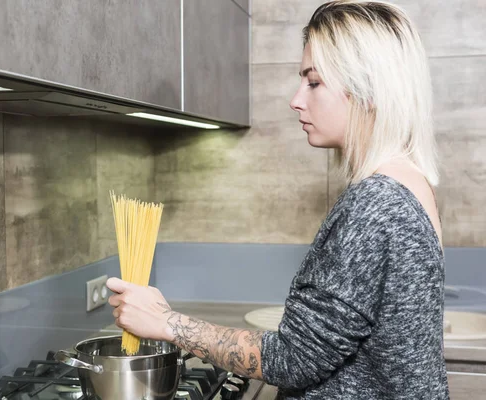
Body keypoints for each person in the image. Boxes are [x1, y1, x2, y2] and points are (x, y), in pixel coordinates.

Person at [106, 0, 449, 398]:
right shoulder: (410, 181)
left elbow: (292, 360)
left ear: (368, 88)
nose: (296, 99)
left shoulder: (375, 204)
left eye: (314, 82)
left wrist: (167, 323)